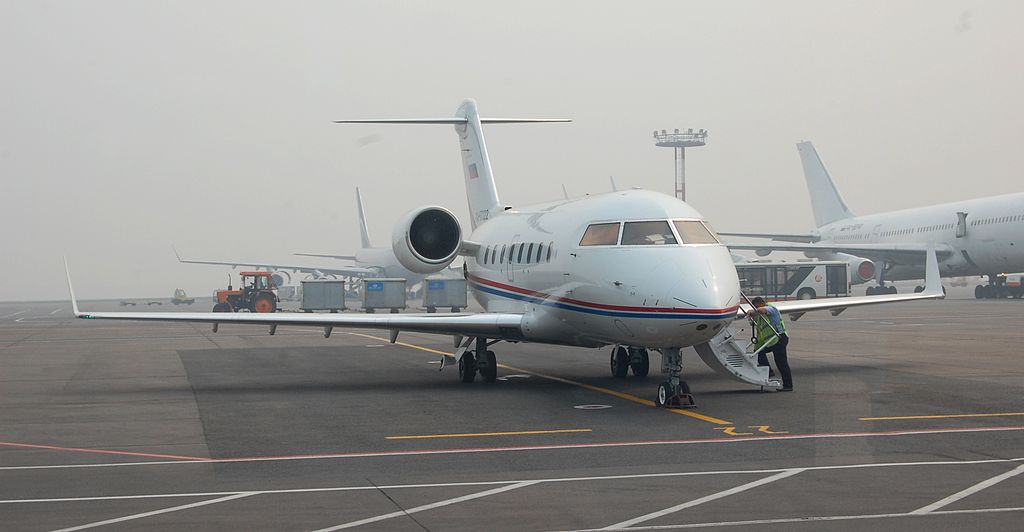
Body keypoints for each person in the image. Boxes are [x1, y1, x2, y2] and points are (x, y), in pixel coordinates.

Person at [747, 296, 793, 391]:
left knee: (781, 363)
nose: (756, 309)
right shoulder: (759, 317)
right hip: (771, 341)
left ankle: (788, 386)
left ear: (762, 304)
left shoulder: (771, 309)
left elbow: (762, 310)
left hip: (779, 338)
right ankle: (769, 371)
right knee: (758, 352)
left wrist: (753, 311)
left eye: (756, 306)